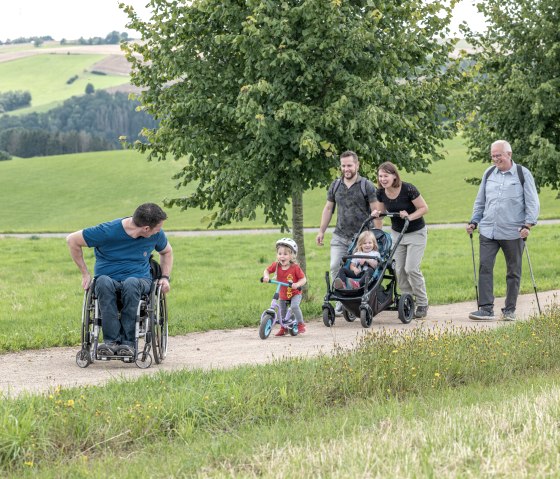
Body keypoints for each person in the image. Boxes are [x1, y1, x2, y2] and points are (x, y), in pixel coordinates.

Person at [67, 203, 173, 356]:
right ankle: (111, 342)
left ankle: (128, 343)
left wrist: (165, 277)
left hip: (139, 280)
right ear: (146, 229)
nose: (159, 230)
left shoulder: (156, 234)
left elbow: (167, 252)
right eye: (157, 228)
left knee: (131, 283)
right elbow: (72, 240)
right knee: (102, 282)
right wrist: (85, 273)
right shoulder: (107, 231)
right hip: (108, 279)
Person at [466, 140, 539, 321]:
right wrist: (474, 221)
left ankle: (509, 310)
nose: (495, 159)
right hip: (488, 230)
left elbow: (532, 202)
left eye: (498, 155)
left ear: (509, 154)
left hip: (513, 232)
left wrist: (528, 225)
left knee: (513, 271)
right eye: (493, 155)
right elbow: (480, 200)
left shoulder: (522, 174)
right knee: (485, 267)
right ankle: (485, 308)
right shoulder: (489, 173)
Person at [316, 150, 377, 313]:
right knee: (335, 265)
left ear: (357, 165)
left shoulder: (366, 185)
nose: (346, 168)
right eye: (343, 166)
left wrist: (376, 233)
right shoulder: (335, 185)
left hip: (361, 239)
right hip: (340, 235)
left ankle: (359, 299)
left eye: (349, 165)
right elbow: (329, 208)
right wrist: (321, 231)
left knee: (358, 269)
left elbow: (376, 211)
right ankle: (340, 301)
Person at [371, 161, 429, 318]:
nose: (383, 179)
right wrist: (377, 220)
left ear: (394, 175)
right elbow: (381, 213)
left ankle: (422, 302)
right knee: (399, 269)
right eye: (380, 176)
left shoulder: (408, 189)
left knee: (411, 268)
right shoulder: (380, 193)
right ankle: (408, 299)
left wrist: (409, 217)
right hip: (398, 233)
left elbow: (424, 208)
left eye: (386, 175)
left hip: (416, 232)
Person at [262, 238, 307, 336]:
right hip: (283, 293)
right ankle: (284, 328)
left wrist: (297, 285)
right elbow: (267, 270)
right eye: (280, 253)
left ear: (291, 256)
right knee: (282, 311)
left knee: (294, 306)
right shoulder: (277, 265)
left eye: (285, 254)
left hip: (295, 293)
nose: (282, 256)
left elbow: (303, 279)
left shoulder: (295, 267)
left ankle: (300, 324)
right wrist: (266, 276)